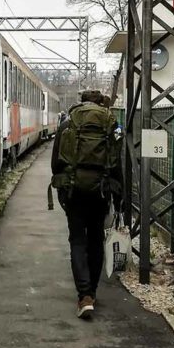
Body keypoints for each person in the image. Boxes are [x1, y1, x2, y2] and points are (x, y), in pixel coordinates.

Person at [50, 90, 123, 320]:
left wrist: (61, 186)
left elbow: (55, 162)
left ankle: (84, 296)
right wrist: (118, 194)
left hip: (73, 189)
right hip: (101, 190)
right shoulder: (112, 124)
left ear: (82, 103)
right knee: (95, 239)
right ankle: (92, 291)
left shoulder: (67, 123)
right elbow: (118, 162)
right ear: (100, 103)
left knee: (77, 240)